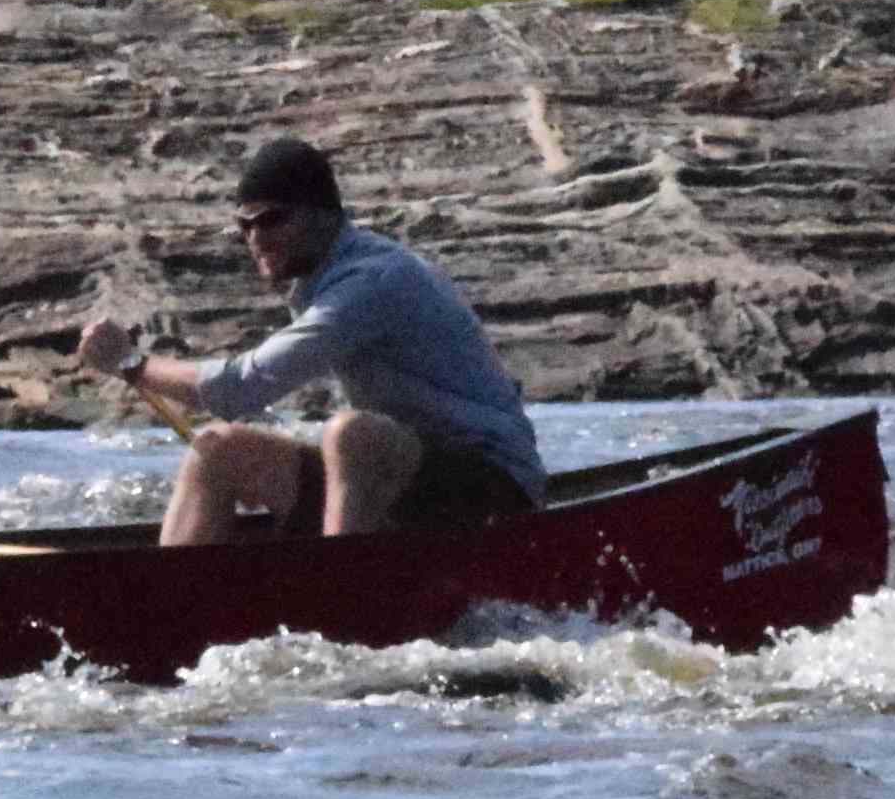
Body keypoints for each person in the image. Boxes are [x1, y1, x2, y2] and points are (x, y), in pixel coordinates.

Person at [76, 134, 545, 544]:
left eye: (272, 219)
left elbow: (240, 388)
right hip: (407, 482)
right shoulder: (317, 280)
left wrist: (132, 364)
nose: (256, 238)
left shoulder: (372, 281)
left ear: (323, 217)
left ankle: (340, 590)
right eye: (244, 225)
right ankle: (168, 599)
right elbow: (238, 402)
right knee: (218, 448)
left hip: (494, 487)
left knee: (352, 434)